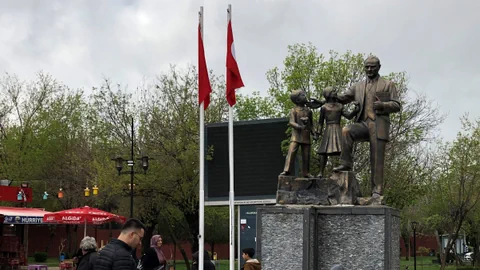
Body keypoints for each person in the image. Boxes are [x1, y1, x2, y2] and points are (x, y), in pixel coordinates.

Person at [334, 56, 401, 204]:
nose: (369, 69)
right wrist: (330, 96)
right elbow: (343, 98)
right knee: (347, 130)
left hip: (378, 125)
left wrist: (383, 105)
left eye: (373, 67)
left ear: (379, 67)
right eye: (367, 67)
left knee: (376, 160)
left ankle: (377, 192)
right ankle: (346, 163)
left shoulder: (388, 84)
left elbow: (397, 105)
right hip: (363, 124)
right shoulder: (358, 86)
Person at [314, 87, 359, 178]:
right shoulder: (324, 107)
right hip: (328, 129)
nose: (336, 92)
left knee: (342, 150)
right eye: (333, 91)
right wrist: (317, 133)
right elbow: (320, 122)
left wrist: (355, 110)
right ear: (329, 94)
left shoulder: (340, 106)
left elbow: (348, 116)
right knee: (324, 152)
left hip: (338, 129)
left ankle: (345, 167)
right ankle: (321, 172)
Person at [280, 89, 314, 178]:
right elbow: (291, 122)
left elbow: (311, 124)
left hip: (306, 136)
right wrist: (299, 126)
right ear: (297, 100)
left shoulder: (308, 111)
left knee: (306, 155)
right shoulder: (294, 110)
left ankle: (306, 172)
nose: (305, 96)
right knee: (291, 152)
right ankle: (287, 170)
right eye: (302, 95)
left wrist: (314, 133)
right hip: (296, 136)